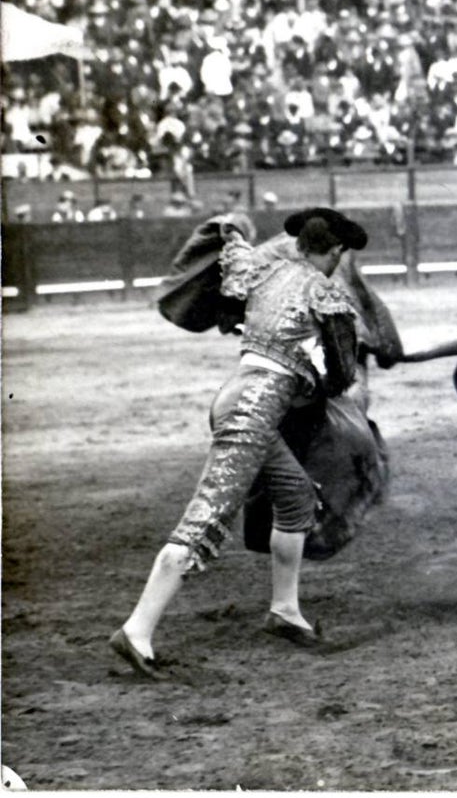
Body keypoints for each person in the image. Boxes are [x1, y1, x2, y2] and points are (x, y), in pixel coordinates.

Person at [109, 208, 369, 679]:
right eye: (339, 254)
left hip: (235, 397)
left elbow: (231, 293)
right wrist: (312, 378)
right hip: (253, 411)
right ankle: (136, 630)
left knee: (295, 497)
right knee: (207, 517)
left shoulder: (262, 271)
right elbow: (342, 374)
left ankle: (285, 610)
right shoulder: (325, 293)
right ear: (334, 252)